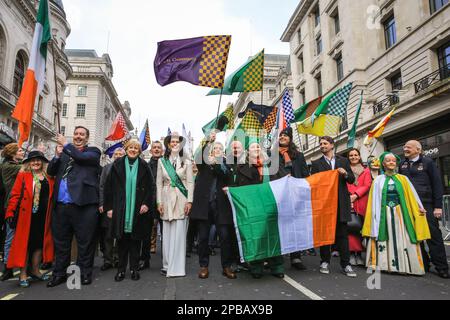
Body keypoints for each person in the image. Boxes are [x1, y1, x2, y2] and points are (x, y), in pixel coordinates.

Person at [46, 127, 101, 287]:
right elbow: (50, 171)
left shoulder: (93, 152)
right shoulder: (65, 152)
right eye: (76, 134)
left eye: (82, 134)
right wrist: (57, 155)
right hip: (61, 205)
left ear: (87, 138)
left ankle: (84, 273)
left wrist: (66, 145)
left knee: (85, 242)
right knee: (61, 243)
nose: (78, 136)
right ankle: (59, 274)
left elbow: (81, 158)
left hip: (84, 205)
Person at [363, 152, 431, 275]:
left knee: (403, 237)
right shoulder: (378, 180)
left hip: (400, 214)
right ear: (383, 164)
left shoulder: (403, 179)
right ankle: (384, 264)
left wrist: (419, 207)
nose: (391, 163)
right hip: (384, 213)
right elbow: (373, 200)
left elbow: (412, 195)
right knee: (385, 235)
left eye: (393, 161)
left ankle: (405, 266)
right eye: (388, 160)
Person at [234, 139, 285, 279]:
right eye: (253, 147)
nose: (256, 148)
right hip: (253, 207)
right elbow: (238, 187)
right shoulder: (241, 168)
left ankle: (277, 266)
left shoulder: (271, 165)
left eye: (258, 146)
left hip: (270, 205)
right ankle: (256, 266)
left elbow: (280, 181)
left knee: (273, 235)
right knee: (256, 236)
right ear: (247, 152)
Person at [104, 140, 153, 282]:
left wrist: (146, 203)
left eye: (135, 148)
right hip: (120, 208)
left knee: (135, 242)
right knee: (122, 242)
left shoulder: (144, 166)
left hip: (138, 209)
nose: (133, 150)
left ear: (139, 151)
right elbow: (108, 187)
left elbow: (150, 187)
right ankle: (121, 270)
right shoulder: (117, 165)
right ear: (126, 149)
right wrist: (109, 208)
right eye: (130, 147)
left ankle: (134, 269)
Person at [399, 140, 449, 279]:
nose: (405, 148)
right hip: (409, 206)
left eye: (408, 147)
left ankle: (442, 267)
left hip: (426, 205)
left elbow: (437, 184)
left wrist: (438, 206)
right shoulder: (402, 164)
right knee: (415, 236)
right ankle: (424, 263)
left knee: (434, 236)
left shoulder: (428, 162)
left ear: (418, 150)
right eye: (405, 146)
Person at [5, 151, 54, 287]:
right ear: (28, 163)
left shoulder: (49, 177)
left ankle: (35, 270)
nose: (36, 162)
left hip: (43, 217)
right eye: (33, 160)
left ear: (42, 162)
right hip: (26, 217)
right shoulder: (23, 175)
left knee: (38, 244)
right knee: (24, 244)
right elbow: (14, 195)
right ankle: (23, 274)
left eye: (38, 160)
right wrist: (10, 213)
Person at [311, 136, 357, 277]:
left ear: (332, 145)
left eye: (325, 143)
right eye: (320, 144)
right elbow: (314, 182)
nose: (322, 146)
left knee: (342, 235)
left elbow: (352, 179)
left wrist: (345, 173)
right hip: (325, 204)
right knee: (325, 234)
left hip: (340, 203)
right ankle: (324, 261)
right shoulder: (316, 163)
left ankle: (346, 264)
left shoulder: (343, 161)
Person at [191, 140, 236, 280]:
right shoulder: (203, 164)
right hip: (204, 207)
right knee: (203, 238)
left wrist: (217, 162)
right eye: (214, 148)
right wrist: (207, 141)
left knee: (225, 237)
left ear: (222, 152)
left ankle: (226, 267)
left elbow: (226, 176)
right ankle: (204, 266)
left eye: (219, 148)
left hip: (222, 207)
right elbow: (198, 156)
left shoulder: (226, 165)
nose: (216, 149)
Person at [157, 132, 194, 278]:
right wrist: (158, 201)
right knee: (167, 232)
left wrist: (190, 201)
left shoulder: (187, 161)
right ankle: (167, 265)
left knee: (179, 232)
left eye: (177, 142)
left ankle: (177, 267)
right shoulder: (162, 161)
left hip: (181, 198)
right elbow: (158, 183)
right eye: (172, 142)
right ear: (168, 144)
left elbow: (190, 182)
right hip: (166, 198)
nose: (174, 144)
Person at [277, 127, 310, 270]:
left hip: (295, 194)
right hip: (279, 193)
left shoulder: (299, 155)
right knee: (279, 224)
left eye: (285, 135)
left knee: (295, 225)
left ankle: (295, 257)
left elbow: (305, 174)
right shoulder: (272, 155)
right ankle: (276, 256)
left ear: (290, 139)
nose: (283, 137)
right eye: (281, 135)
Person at [0, 143, 25, 281]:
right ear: (12, 154)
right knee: (10, 237)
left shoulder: (16, 164)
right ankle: (7, 268)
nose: (22, 152)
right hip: (12, 206)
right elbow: (26, 168)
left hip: (23, 205)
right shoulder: (9, 166)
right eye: (20, 150)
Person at [98, 148, 125, 271]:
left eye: (121, 154)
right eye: (116, 154)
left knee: (120, 234)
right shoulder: (106, 168)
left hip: (122, 207)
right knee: (108, 235)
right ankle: (108, 259)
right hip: (108, 206)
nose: (118, 156)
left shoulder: (128, 168)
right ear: (113, 156)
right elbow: (102, 187)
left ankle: (119, 259)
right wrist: (103, 204)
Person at [346, 148, 372, 266]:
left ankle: (360, 253)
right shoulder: (346, 170)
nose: (353, 157)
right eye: (351, 155)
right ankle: (352, 253)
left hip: (362, 202)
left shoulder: (366, 170)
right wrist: (350, 195)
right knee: (351, 228)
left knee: (361, 228)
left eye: (356, 155)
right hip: (349, 201)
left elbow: (367, 185)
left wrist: (356, 194)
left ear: (359, 156)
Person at [148, 141, 164, 255]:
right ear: (151, 151)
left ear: (162, 151)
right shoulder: (147, 165)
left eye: (159, 147)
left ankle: (166, 246)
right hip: (151, 198)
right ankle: (152, 244)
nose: (157, 149)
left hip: (165, 198)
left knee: (165, 224)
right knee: (152, 224)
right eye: (154, 147)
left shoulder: (167, 164)